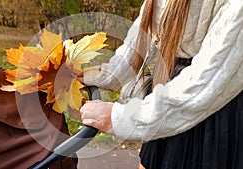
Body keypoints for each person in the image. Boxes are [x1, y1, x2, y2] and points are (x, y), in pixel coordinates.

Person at [78, 0, 243, 168]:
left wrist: (120, 117)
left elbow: (208, 80)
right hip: (167, 103)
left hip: (214, 115)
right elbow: (145, 29)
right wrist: (104, 75)